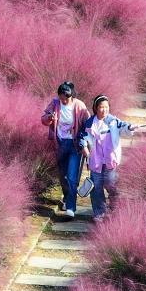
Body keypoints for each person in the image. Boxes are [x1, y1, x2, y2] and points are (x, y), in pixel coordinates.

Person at [78, 95, 135, 222]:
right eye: (101, 107)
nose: (104, 110)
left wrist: (130, 128)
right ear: (95, 108)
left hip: (110, 160)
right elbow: (83, 138)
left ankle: (115, 207)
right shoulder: (89, 123)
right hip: (95, 160)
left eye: (106, 107)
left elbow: (124, 127)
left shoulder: (113, 121)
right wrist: (85, 148)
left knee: (111, 184)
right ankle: (100, 213)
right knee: (96, 188)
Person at [40, 81, 90, 218]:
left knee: (72, 177)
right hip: (60, 144)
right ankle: (67, 199)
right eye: (61, 97)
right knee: (63, 177)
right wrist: (50, 118)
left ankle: (71, 208)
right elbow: (43, 119)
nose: (63, 100)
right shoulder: (55, 103)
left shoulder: (79, 106)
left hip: (75, 145)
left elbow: (89, 125)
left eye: (66, 98)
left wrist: (85, 143)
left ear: (72, 96)